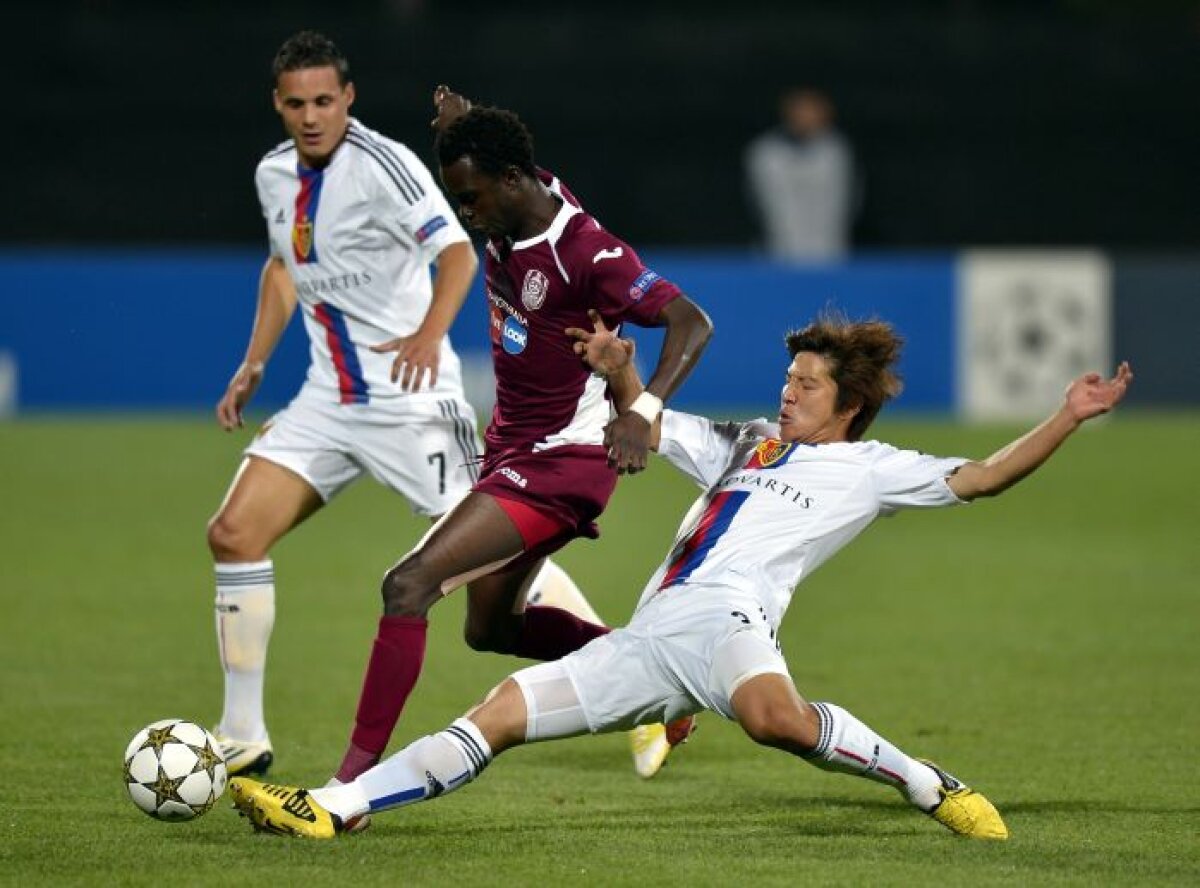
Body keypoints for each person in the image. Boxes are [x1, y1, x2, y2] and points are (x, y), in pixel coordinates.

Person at [228, 310, 1133, 840]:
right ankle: (334, 808)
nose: (787, 391)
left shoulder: (871, 468)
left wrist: (1066, 416)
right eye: (788, 377)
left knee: (776, 721)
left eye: (807, 385)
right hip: (651, 637)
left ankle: (926, 784)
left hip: (733, 623)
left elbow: (984, 477)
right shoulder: (747, 442)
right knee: (499, 712)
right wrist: (624, 373)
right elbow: (651, 426)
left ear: (849, 404)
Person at [207, 33, 600, 778]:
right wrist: (253, 363)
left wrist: (426, 334)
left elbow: (454, 252)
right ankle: (241, 732)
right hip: (328, 400)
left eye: (325, 101)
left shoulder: (383, 165)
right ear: (278, 105)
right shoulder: (273, 174)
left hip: (412, 400)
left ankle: (615, 657)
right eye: (297, 104)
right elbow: (283, 269)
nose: (311, 116)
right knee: (233, 534)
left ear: (348, 98)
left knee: (497, 553)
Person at [324, 90, 714, 787]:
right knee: (491, 632)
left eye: (470, 198)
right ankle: (660, 685)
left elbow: (692, 321)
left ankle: (347, 786)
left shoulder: (586, 251)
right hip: (513, 451)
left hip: (564, 461)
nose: (465, 214)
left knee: (407, 586)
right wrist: (458, 126)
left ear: (510, 181)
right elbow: (496, 151)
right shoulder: (517, 192)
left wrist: (641, 411)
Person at [745, 88, 857, 260]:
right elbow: (763, 205)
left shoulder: (837, 151)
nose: (806, 117)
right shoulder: (766, 152)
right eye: (801, 110)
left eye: (812, 111)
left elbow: (846, 204)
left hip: (830, 253)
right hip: (778, 253)